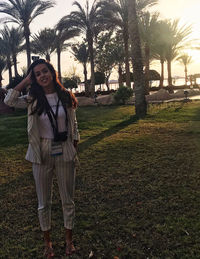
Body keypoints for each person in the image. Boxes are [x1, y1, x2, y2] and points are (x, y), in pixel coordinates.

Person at [4, 59, 80, 258]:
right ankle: (48, 244)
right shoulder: (32, 99)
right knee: (43, 201)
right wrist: (24, 81)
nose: (42, 76)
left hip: (64, 148)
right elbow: (8, 101)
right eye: (37, 74)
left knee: (67, 199)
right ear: (34, 79)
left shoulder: (65, 96)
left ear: (51, 72)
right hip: (41, 150)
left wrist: (74, 145)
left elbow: (74, 124)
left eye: (44, 71)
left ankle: (69, 241)